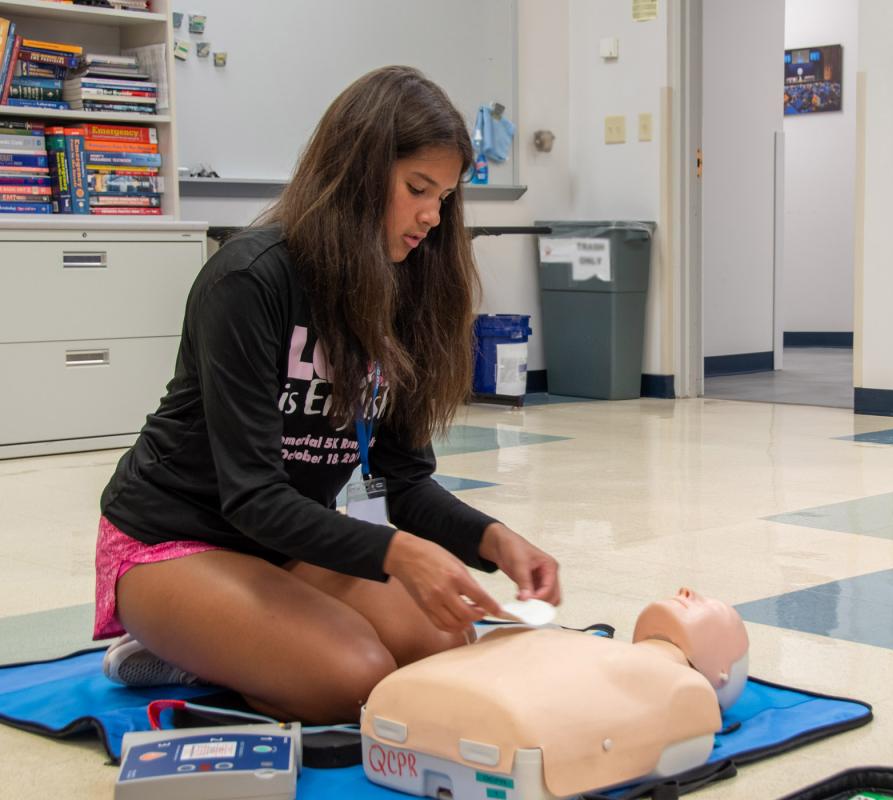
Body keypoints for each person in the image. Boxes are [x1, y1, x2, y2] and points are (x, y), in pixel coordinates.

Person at [92, 65, 560, 724]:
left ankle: (248, 630)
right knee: (353, 679)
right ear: (359, 173)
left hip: (284, 544)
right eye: (417, 189)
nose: (431, 215)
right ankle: (187, 643)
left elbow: (402, 482)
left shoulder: (404, 288)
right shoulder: (249, 281)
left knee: (441, 644)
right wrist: (396, 553)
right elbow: (251, 495)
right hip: (174, 540)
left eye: (445, 198)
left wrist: (493, 539)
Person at [361, 588, 750, 799]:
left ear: (720, 675)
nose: (686, 591)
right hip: (475, 729)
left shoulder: (686, 691)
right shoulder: (584, 646)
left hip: (478, 730)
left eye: (707, 605)